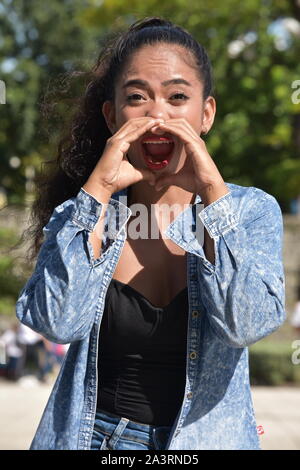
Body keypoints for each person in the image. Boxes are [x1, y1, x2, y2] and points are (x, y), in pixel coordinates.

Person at [16, 17, 286, 450]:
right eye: (137, 98)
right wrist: (97, 193)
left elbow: (246, 324)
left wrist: (214, 195)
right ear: (112, 116)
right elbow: (57, 323)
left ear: (206, 113)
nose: (158, 116)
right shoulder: (83, 213)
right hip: (92, 441)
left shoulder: (251, 212)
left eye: (178, 97)